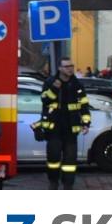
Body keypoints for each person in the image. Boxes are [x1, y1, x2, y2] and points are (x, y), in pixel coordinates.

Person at [38, 57, 90, 190]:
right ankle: (53, 182)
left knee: (70, 162)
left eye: (71, 66)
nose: (70, 69)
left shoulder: (77, 84)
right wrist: (54, 88)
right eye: (67, 66)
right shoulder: (50, 82)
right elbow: (45, 100)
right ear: (60, 68)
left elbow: (84, 105)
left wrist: (86, 123)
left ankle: (68, 185)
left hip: (71, 129)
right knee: (53, 159)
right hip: (54, 129)